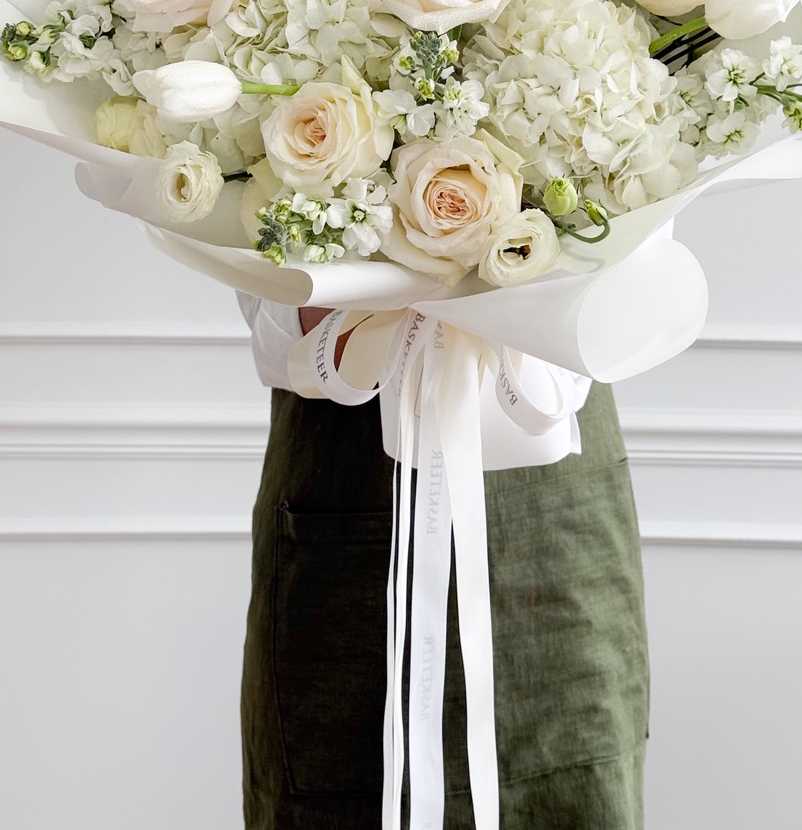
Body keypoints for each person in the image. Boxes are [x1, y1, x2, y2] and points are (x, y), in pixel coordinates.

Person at [238, 297, 650, 829]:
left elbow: (629, 302)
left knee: (577, 796)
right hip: (349, 514)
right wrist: (392, 288)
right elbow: (277, 330)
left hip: (561, 528)